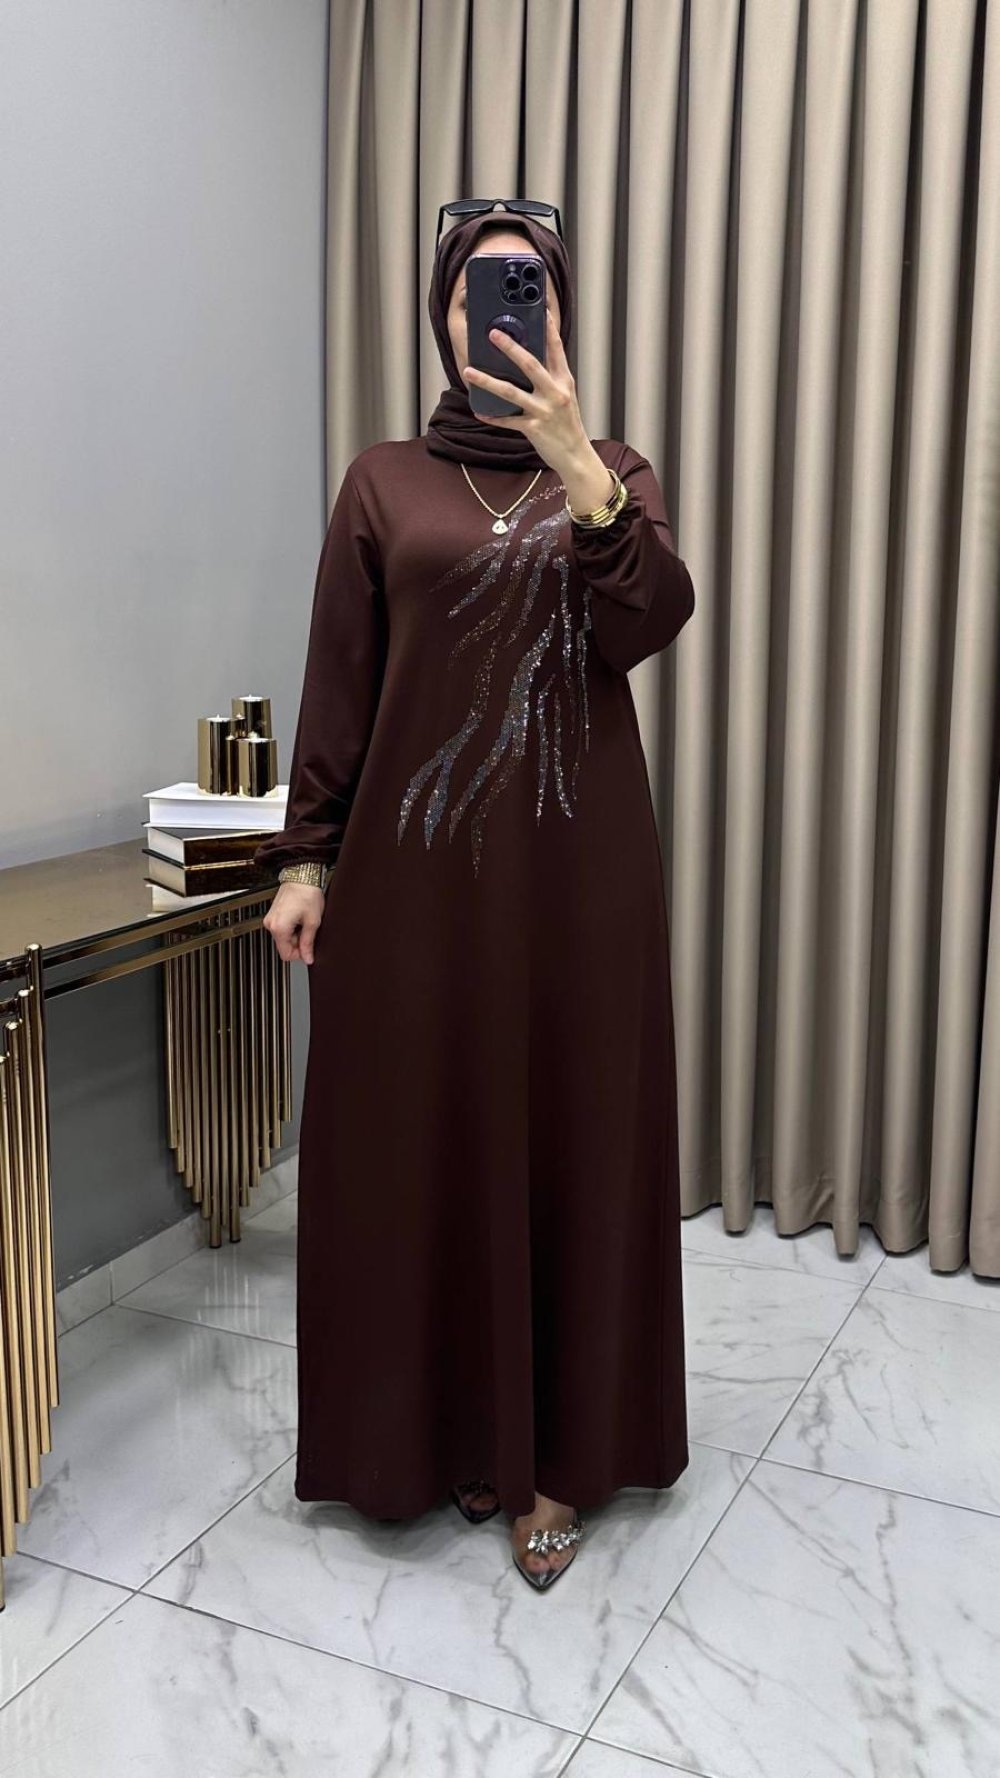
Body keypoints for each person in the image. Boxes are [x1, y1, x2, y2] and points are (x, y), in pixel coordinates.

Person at [255, 204, 695, 1592]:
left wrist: (581, 469)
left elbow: (651, 618)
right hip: (414, 888)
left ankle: (558, 1457)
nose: (502, 308)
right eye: (480, 288)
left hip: (578, 887)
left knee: (573, 1137)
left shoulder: (613, 469)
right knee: (414, 1143)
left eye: (529, 284)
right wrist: (306, 858)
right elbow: (340, 675)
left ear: (558, 312)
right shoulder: (382, 482)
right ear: (444, 316)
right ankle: (430, 1432)